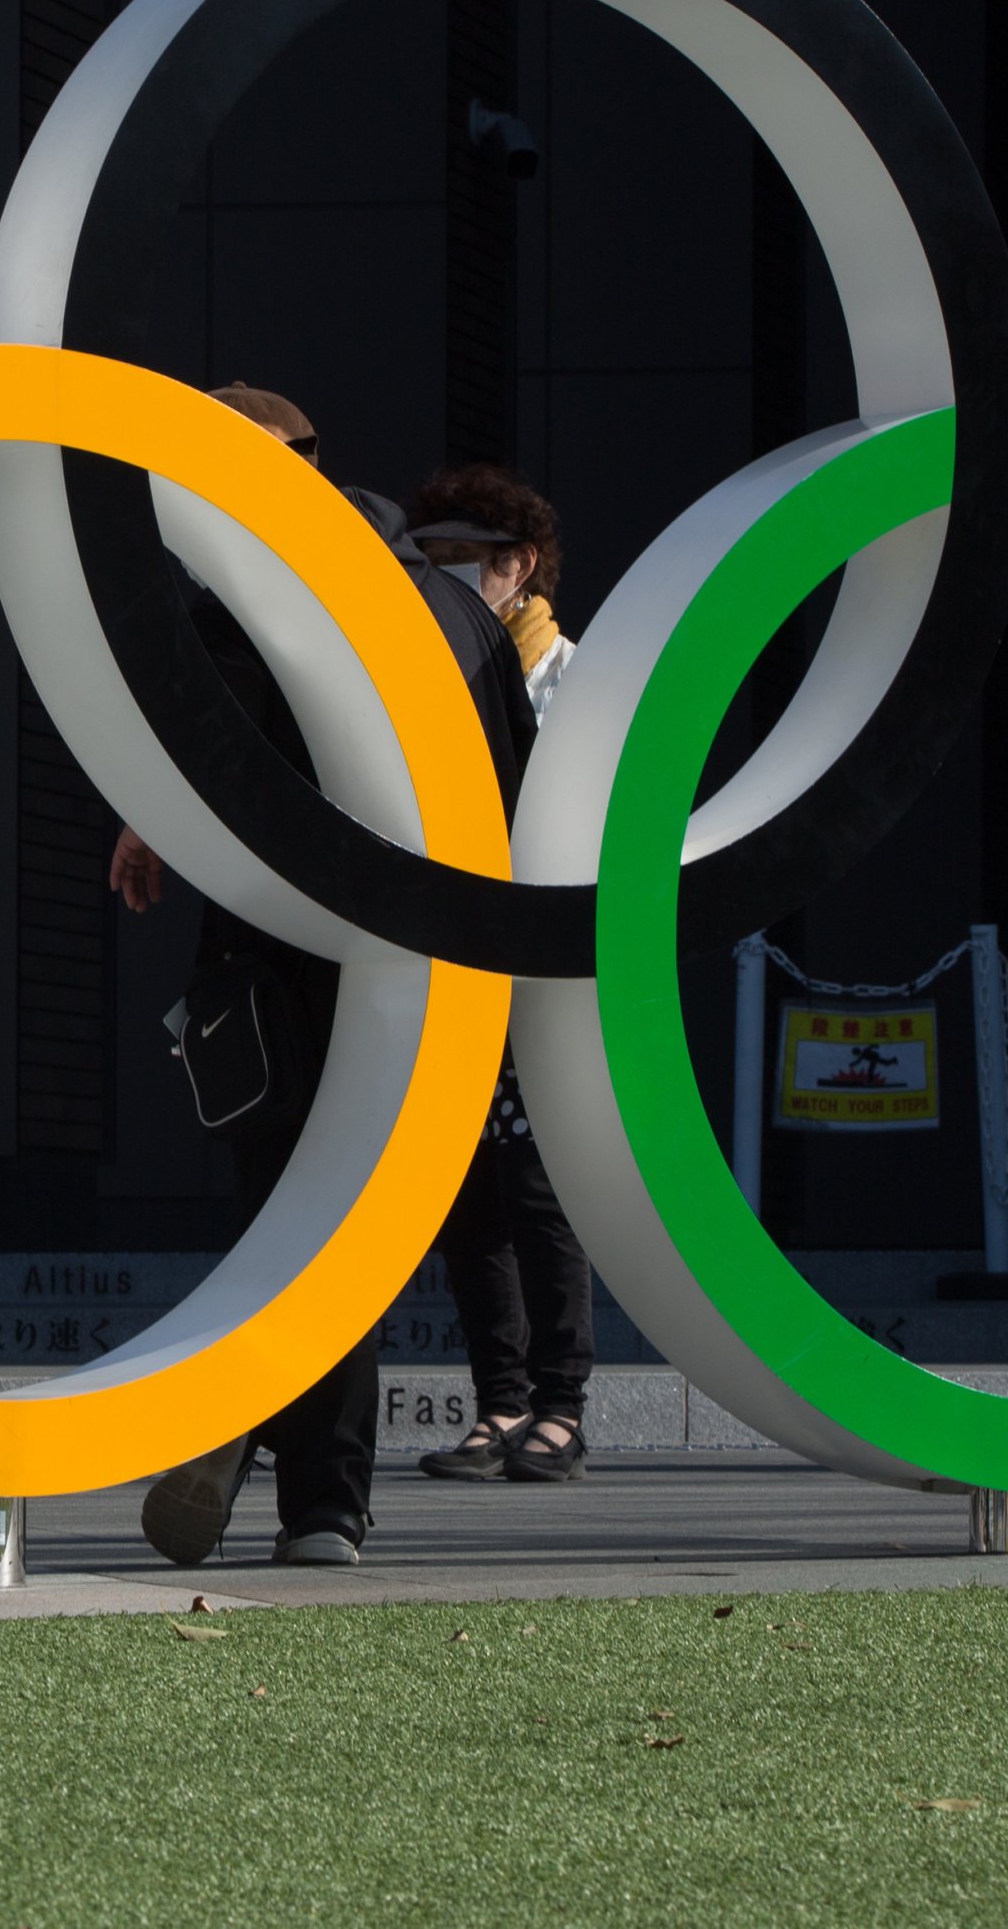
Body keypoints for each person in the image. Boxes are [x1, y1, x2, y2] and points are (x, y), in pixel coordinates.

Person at [119, 388, 531, 1568]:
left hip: (287, 960)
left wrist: (152, 821)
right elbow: (518, 792)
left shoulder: (253, 605)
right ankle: (316, 1498)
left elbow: (211, 768)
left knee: (292, 1223)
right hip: (437, 966)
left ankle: (253, 1435)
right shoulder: (458, 612)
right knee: (353, 1230)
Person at [397, 464, 594, 1484]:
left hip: (542, 973)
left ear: (518, 566)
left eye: (460, 563)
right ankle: (498, 1400)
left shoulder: (572, 676)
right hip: (457, 959)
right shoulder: (419, 671)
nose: (441, 583)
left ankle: (559, 1404)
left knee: (537, 1183)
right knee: (467, 1191)